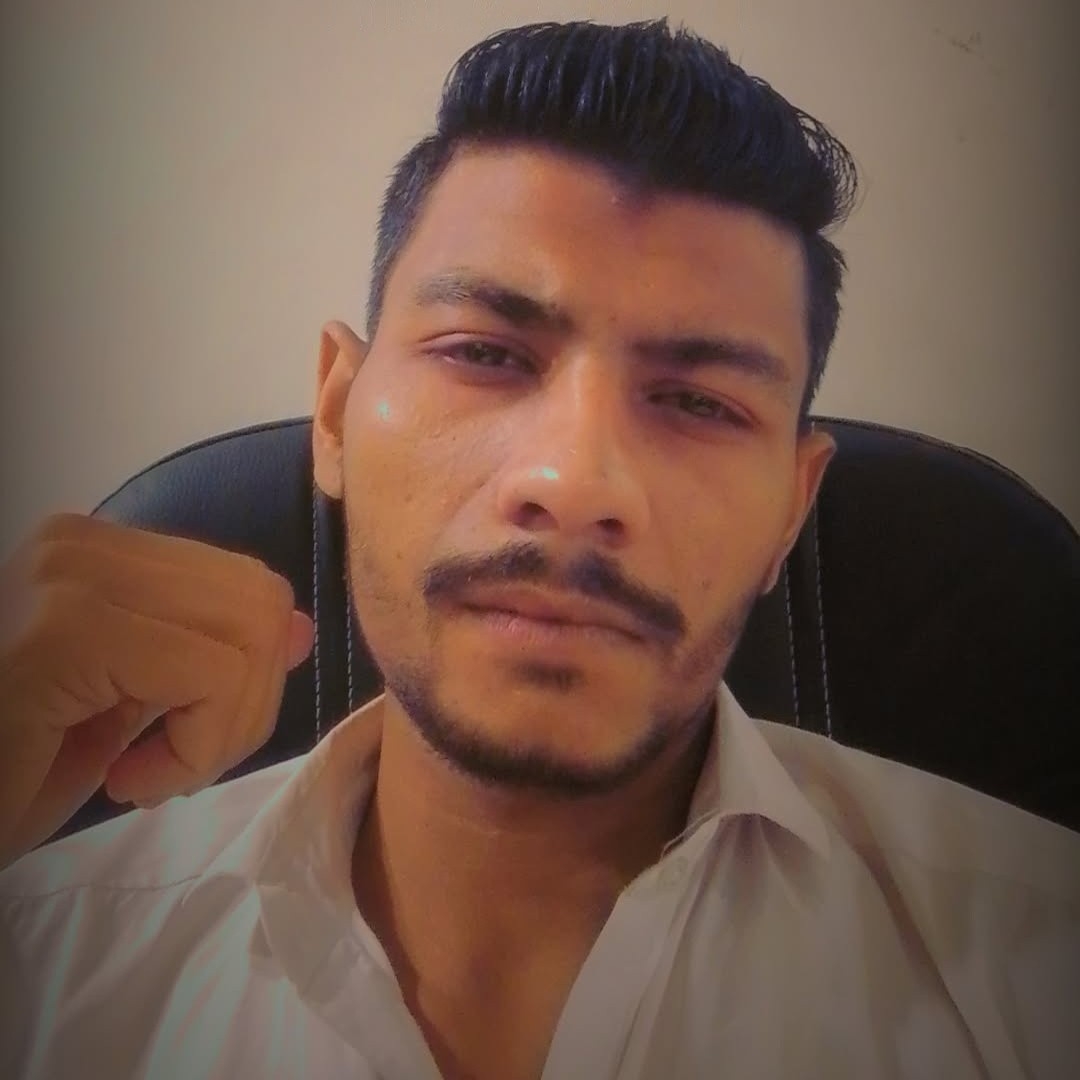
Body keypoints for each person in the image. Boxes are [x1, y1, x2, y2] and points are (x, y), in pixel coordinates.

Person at [0, 18, 1077, 1080]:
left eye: (699, 403)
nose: (573, 483)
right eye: (483, 353)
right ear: (334, 414)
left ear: (791, 511)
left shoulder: (1036, 974)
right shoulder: (44, 969)